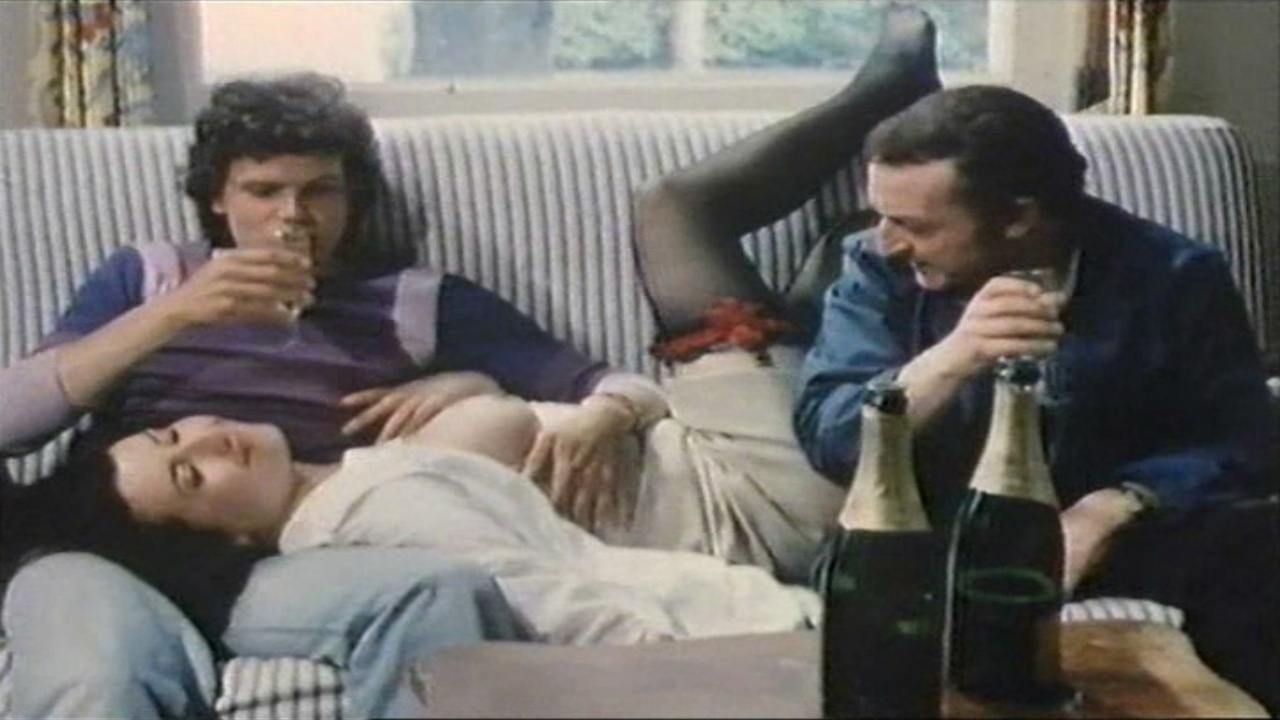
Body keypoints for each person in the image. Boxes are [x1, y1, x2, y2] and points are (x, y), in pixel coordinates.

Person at [0, 72, 665, 718]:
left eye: (320, 191)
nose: (293, 216)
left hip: (283, 558)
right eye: (263, 191)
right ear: (218, 199)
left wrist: (588, 412)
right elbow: (11, 422)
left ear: (352, 200)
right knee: (96, 672)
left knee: (435, 592)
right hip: (108, 545)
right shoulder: (150, 276)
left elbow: (612, 383)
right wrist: (176, 312)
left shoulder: (415, 301)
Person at [791, 85, 1278, 710]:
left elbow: (1244, 437)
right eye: (882, 216)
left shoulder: (1173, 275)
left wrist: (1117, 505)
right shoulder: (877, 270)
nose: (887, 240)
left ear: (1018, 217)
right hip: (942, 547)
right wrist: (954, 357)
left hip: (1138, 547)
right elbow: (832, 438)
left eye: (915, 225)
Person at [616, 4, 942, 583]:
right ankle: (889, 98)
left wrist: (603, 408)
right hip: (758, 500)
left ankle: (894, 106)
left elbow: (548, 375)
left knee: (851, 242)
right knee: (676, 209)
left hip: (730, 470)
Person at [73, 399, 819, 649]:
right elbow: (548, 601)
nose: (208, 441)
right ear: (226, 540)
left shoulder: (358, 474)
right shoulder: (364, 513)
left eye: (175, 435)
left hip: (743, 599)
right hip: (747, 633)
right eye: (191, 477)